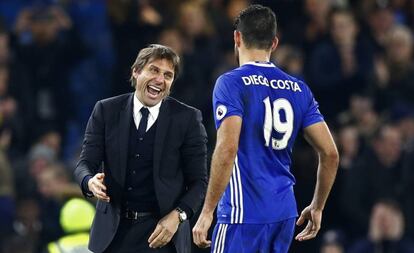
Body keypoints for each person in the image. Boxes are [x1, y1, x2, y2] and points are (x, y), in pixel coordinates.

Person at [192, 5, 339, 253]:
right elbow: (331, 154)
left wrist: (207, 211)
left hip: (243, 214)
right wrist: (317, 206)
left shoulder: (231, 83)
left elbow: (228, 148)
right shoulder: (298, 89)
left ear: (237, 37)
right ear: (274, 43)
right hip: (283, 214)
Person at [74, 44, 208, 253]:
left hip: (162, 236)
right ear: (136, 72)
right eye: (154, 70)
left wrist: (178, 216)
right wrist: (89, 181)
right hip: (113, 235)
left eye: (168, 75)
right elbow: (85, 164)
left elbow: (199, 182)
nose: (160, 80)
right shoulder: (106, 110)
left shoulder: (188, 119)